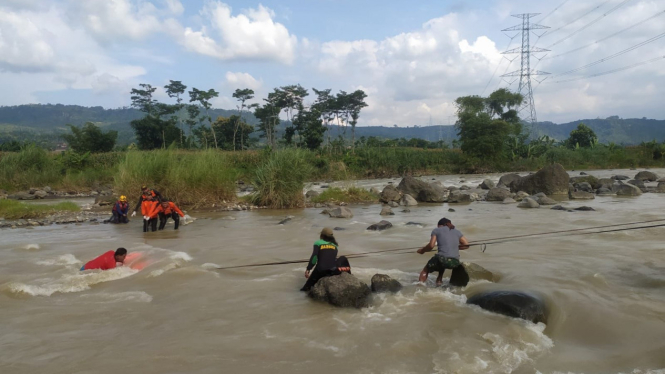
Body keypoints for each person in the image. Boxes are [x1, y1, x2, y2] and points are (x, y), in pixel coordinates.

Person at [417, 218, 469, 286]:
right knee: (442, 261)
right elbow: (466, 245)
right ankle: (439, 281)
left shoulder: (436, 230)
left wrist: (422, 250)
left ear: (440, 225)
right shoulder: (457, 232)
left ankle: (420, 286)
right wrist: (455, 247)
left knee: (426, 270)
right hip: (455, 262)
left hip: (442, 259)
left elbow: (431, 246)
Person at [300, 228, 351, 292]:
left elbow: (314, 257)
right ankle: (349, 275)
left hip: (320, 270)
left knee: (305, 289)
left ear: (322, 235)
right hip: (332, 271)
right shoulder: (335, 245)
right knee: (343, 258)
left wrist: (308, 269)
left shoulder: (318, 243)